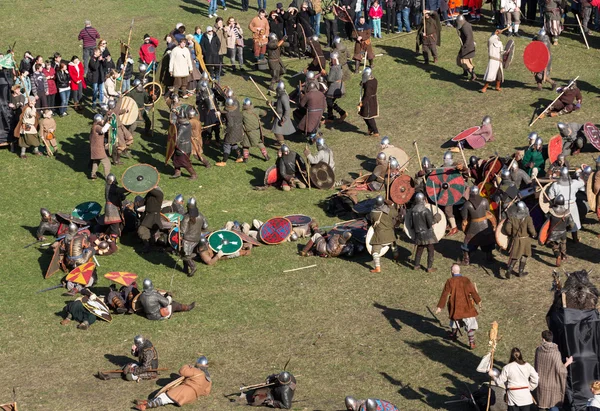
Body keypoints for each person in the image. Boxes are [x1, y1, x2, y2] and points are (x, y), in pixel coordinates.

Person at [134, 356, 212, 410]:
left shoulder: (197, 371)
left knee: (165, 397)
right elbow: (206, 392)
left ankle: (145, 406)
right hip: (192, 397)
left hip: (186, 390)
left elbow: (182, 371)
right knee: (166, 397)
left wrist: (189, 366)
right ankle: (147, 401)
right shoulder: (208, 379)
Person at [435, 263, 481, 348]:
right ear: (459, 271)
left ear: (452, 271)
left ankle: (454, 334)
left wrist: (440, 307)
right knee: (470, 322)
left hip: (455, 306)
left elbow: (444, 294)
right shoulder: (466, 280)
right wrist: (478, 301)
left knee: (455, 320)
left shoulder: (450, 281)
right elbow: (473, 291)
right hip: (467, 306)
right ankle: (471, 342)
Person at [534, 330, 573, 411]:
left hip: (542, 383)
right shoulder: (555, 353)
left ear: (543, 339)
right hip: (553, 384)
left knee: (542, 405)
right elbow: (560, 370)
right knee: (553, 405)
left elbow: (537, 365)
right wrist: (568, 362)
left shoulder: (538, 350)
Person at [461, 185, 496, 265]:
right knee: (487, 240)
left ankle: (466, 260)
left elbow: (464, 217)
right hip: (485, 225)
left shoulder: (467, 204)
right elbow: (488, 212)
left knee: (468, 242)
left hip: (473, 226)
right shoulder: (484, 201)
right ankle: (489, 257)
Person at [548, 167, 585, 243]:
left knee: (560, 224)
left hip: (560, 207)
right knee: (574, 223)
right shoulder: (574, 183)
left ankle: (559, 241)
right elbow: (582, 182)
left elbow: (550, 196)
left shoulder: (555, 185)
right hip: (572, 205)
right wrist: (578, 172)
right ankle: (575, 239)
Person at [406, 192, 440, 272]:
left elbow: (411, 225)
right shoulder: (425, 210)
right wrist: (436, 218)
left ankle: (416, 265)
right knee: (430, 250)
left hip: (418, 233)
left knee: (420, 249)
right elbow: (430, 223)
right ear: (423, 200)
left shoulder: (412, 211)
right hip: (427, 234)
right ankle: (429, 267)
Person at [504, 201, 536, 278]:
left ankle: (509, 269)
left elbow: (507, 228)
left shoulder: (512, 218)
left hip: (516, 239)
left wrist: (511, 234)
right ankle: (520, 272)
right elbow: (531, 229)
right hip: (525, 240)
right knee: (524, 255)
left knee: (515, 255)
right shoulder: (528, 218)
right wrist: (534, 234)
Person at [368, 195, 399, 273]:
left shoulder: (373, 213)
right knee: (393, 243)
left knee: (375, 251)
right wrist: (391, 205)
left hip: (380, 236)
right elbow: (395, 214)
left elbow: (371, 221)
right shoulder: (389, 211)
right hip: (391, 234)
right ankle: (396, 255)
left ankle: (377, 268)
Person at [544, 194, 575, 266]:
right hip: (563, 232)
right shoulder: (567, 212)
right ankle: (563, 256)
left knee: (555, 246)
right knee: (563, 243)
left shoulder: (551, 212)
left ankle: (557, 255)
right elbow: (572, 224)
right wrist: (568, 229)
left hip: (553, 233)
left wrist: (551, 208)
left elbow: (546, 218)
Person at [180, 198, 208, 276]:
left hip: (187, 239)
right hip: (197, 239)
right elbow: (206, 226)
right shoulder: (201, 215)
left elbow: (182, 230)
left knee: (186, 255)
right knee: (184, 253)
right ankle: (185, 268)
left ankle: (193, 267)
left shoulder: (187, 217)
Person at [104, 99, 133, 165]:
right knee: (120, 146)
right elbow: (118, 106)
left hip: (120, 126)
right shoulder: (109, 113)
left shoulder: (113, 112)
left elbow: (119, 112)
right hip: (115, 130)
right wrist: (120, 97)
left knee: (130, 138)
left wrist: (125, 110)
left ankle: (123, 149)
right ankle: (117, 160)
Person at [241, 98, 270, 163]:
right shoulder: (256, 110)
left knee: (245, 145)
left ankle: (245, 158)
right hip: (256, 131)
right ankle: (266, 156)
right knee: (260, 144)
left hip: (247, 132)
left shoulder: (242, 113)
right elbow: (264, 113)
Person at [216, 98, 243, 166]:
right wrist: (220, 112)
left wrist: (226, 130)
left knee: (226, 144)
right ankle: (239, 157)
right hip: (238, 129)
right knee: (233, 142)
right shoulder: (236, 109)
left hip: (232, 131)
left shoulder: (229, 114)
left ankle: (224, 161)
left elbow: (230, 124)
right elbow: (226, 112)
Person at [171, 110, 198, 180]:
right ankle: (177, 172)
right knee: (175, 159)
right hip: (185, 146)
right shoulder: (188, 124)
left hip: (182, 147)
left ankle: (194, 175)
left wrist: (173, 144)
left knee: (185, 162)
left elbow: (177, 137)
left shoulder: (182, 127)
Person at [138, 187, 165, 253]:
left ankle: (147, 246)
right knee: (151, 233)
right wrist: (136, 204)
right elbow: (143, 201)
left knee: (142, 230)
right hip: (148, 215)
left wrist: (148, 185)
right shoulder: (149, 193)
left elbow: (151, 189)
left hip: (154, 216)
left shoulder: (159, 194)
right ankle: (150, 247)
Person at [324, 52, 347, 122]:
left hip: (334, 87)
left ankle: (342, 113)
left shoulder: (334, 68)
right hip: (339, 86)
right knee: (330, 101)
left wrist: (324, 74)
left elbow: (330, 79)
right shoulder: (339, 65)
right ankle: (330, 117)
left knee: (329, 101)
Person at [272, 81, 295, 146]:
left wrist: (284, 118)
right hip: (278, 115)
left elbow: (287, 109)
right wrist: (272, 103)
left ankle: (283, 145)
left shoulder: (283, 97)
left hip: (281, 116)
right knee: (277, 131)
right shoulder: (281, 95)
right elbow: (279, 104)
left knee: (277, 131)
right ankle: (280, 142)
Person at [358, 67, 379, 137]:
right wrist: (363, 84)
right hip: (370, 99)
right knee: (364, 115)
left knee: (369, 117)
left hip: (369, 101)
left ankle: (375, 131)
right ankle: (370, 129)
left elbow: (367, 94)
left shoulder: (369, 83)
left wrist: (362, 103)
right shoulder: (374, 80)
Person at [89, 114, 111, 179]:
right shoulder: (97, 127)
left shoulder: (93, 126)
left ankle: (93, 174)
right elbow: (103, 130)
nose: (102, 121)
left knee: (96, 161)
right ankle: (107, 177)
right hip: (98, 149)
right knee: (107, 163)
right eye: (101, 120)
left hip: (94, 148)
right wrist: (108, 123)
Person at [456, 15, 476, 81]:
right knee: (459, 59)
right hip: (466, 46)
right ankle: (465, 73)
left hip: (467, 47)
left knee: (465, 63)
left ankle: (473, 75)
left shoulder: (465, 27)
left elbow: (469, 37)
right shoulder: (465, 24)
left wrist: (465, 46)